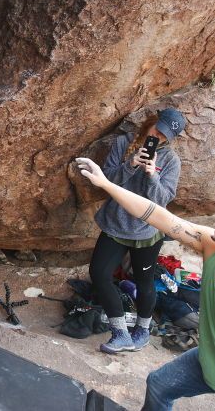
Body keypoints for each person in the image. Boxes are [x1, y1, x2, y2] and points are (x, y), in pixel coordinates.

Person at [75, 157, 214, 410]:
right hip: (208, 359)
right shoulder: (211, 242)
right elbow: (155, 214)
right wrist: (106, 183)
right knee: (159, 384)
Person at [88, 108, 186, 353]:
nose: (159, 138)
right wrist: (131, 164)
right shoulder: (123, 143)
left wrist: (152, 175)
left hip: (147, 231)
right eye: (158, 131)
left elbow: (164, 199)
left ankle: (142, 329)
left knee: (144, 282)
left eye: (165, 137)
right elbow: (106, 180)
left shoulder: (170, 160)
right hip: (116, 225)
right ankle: (120, 332)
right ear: (152, 122)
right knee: (99, 273)